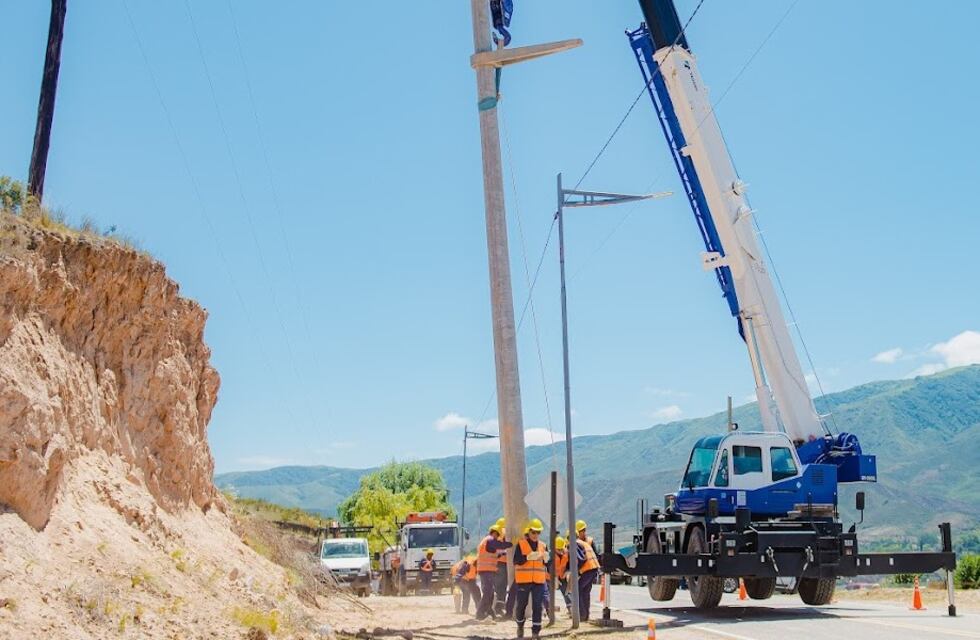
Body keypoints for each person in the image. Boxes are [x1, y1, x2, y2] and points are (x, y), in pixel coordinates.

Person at [513, 519, 549, 639]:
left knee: (537, 606)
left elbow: (547, 564)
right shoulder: (521, 544)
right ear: (528, 532)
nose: (536, 535)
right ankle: (520, 626)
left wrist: (548, 560)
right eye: (533, 532)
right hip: (523, 581)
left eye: (538, 532)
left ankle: (535, 633)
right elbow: (516, 560)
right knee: (521, 605)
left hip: (538, 581)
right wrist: (528, 557)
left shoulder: (543, 546)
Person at [475, 524, 512, 620]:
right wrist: (510, 544)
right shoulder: (490, 540)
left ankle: (489, 612)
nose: (499, 538)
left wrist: (503, 553)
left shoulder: (488, 542)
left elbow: (495, 554)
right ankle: (480, 613)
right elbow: (500, 545)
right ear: (496, 533)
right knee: (488, 592)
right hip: (486, 570)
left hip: (487, 571)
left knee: (490, 593)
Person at [575, 520, 600, 621]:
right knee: (585, 592)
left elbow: (592, 556)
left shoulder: (588, 541)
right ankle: (585, 615)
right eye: (582, 530)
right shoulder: (583, 542)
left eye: (584, 530)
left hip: (589, 569)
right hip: (589, 570)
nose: (584, 532)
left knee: (578, 590)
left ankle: (582, 614)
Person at [552, 536, 572, 613]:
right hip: (552, 577)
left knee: (566, 592)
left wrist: (567, 572)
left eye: (561, 549)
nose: (560, 551)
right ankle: (546, 609)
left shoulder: (567, 553)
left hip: (562, 576)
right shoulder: (551, 555)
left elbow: (569, 565)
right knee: (547, 593)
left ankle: (570, 609)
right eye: (558, 549)